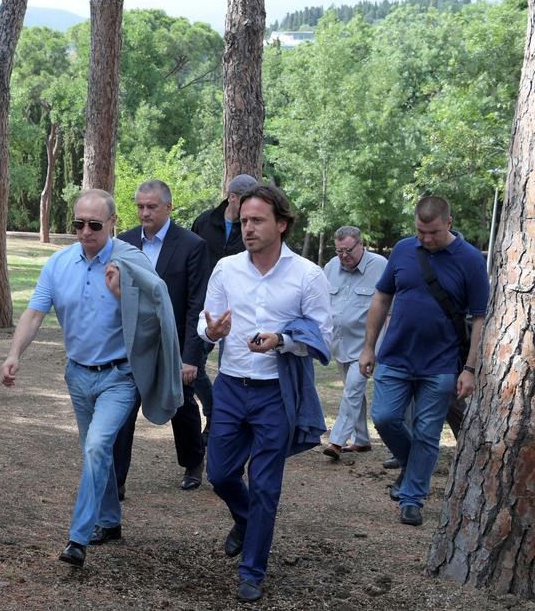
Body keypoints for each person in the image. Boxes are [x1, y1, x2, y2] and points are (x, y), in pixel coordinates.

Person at [0, 189, 182, 568]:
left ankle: (78, 538)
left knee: (98, 447)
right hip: (77, 375)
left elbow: (158, 322)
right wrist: (15, 354)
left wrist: (123, 296)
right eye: (78, 224)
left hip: (120, 376)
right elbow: (35, 312)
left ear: (113, 224)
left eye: (94, 225)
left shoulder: (131, 263)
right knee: (93, 450)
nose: (85, 232)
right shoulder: (59, 263)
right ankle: (111, 521)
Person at [198, 184, 332, 602]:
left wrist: (282, 340)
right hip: (231, 387)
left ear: (282, 225)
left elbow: (323, 338)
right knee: (219, 473)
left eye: (257, 221)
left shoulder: (308, 275)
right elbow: (206, 324)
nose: (248, 228)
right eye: (244, 221)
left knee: (266, 484)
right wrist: (211, 331)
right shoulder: (226, 268)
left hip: (277, 393)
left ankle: (252, 570)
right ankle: (245, 519)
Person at [359, 196, 489, 527]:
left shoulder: (471, 259)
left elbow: (479, 319)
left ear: (448, 222)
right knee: (385, 417)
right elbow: (381, 297)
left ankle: (412, 498)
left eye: (431, 232)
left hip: (441, 364)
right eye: (420, 231)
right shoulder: (403, 250)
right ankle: (411, 464)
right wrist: (368, 347)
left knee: (428, 432)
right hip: (395, 356)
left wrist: (470, 368)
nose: (426, 239)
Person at [113, 179, 209, 497]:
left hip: (174, 345)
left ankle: (193, 462)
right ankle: (117, 479)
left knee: (181, 408)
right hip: (133, 345)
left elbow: (197, 305)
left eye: (151, 207)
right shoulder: (123, 244)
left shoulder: (192, 245)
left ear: (168, 207)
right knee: (123, 410)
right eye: (140, 206)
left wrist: (191, 357)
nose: (144, 213)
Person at [190, 173, 258, 441]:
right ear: (232, 198)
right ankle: (213, 411)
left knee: (239, 370)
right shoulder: (205, 222)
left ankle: (237, 421)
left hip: (244, 310)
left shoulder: (254, 227)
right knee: (193, 367)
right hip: (206, 308)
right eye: (247, 200)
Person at [322, 226, 387, 461]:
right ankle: (361, 440)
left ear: (361, 244)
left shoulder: (380, 266)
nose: (343, 256)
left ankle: (337, 441)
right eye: (339, 251)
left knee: (352, 390)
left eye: (348, 250)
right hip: (340, 344)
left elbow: (391, 305)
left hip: (367, 345)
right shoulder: (330, 267)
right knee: (354, 392)